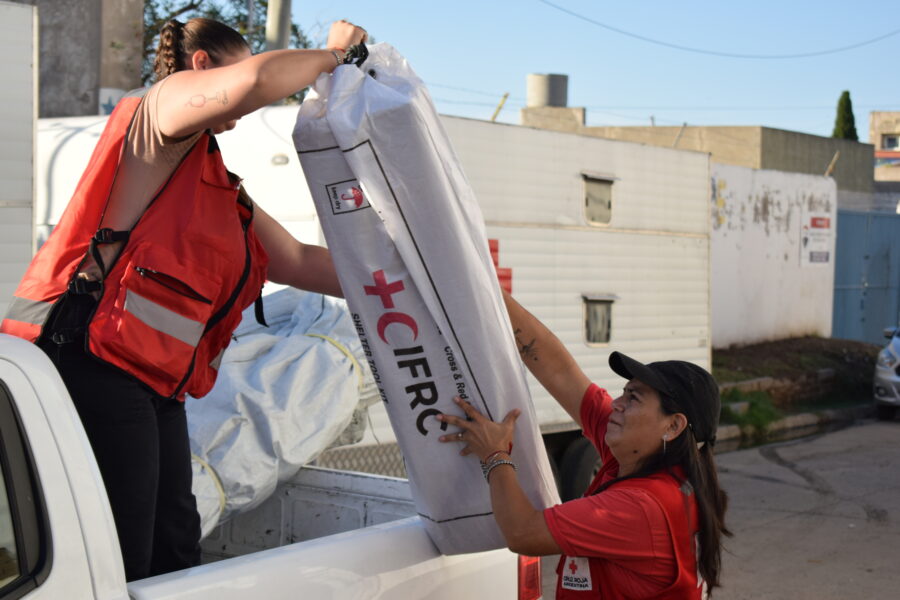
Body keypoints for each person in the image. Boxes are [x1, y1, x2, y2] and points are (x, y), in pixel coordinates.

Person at [0, 17, 366, 581]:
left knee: (173, 543)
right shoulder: (162, 108)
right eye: (233, 66)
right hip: (88, 354)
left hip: (152, 376)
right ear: (200, 67)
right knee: (125, 551)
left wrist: (406, 277)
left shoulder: (217, 182)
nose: (243, 112)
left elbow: (296, 260)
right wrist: (333, 55)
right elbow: (255, 82)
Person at [438, 292, 731, 598]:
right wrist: (482, 283)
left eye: (634, 398)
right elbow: (559, 371)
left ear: (672, 426)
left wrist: (495, 455)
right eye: (624, 392)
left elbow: (523, 533)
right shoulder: (659, 467)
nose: (616, 404)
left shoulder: (639, 507)